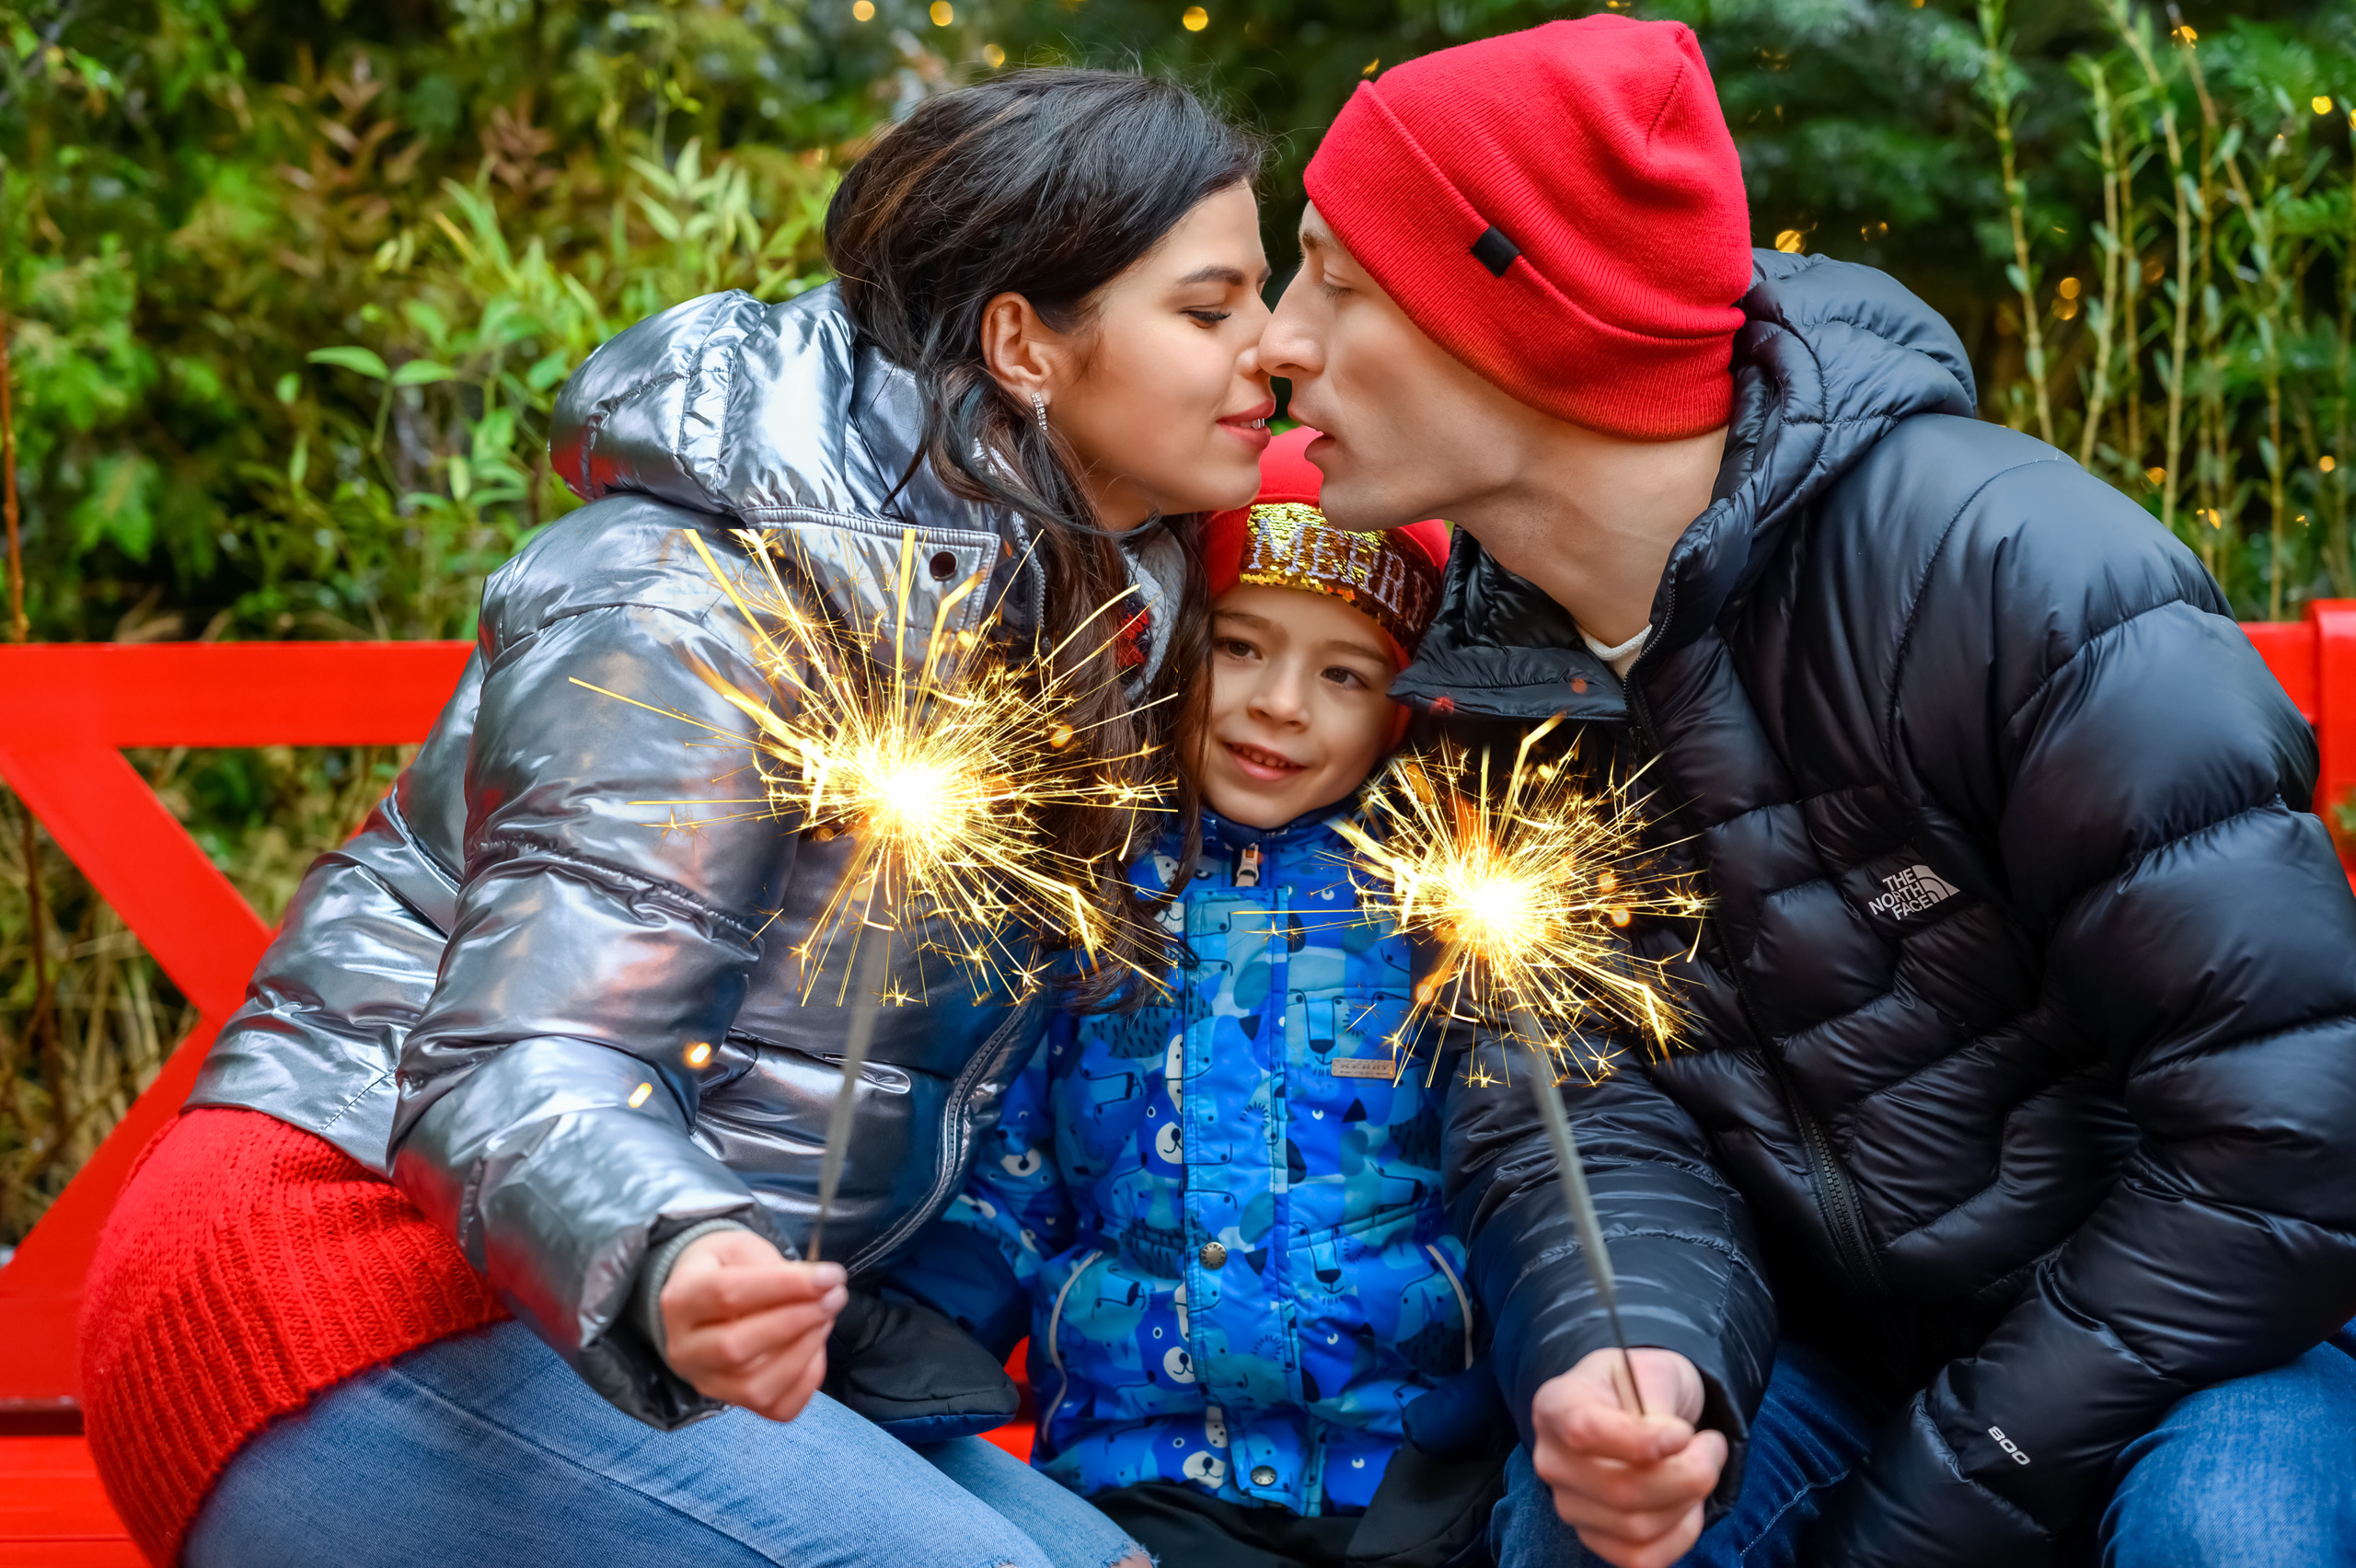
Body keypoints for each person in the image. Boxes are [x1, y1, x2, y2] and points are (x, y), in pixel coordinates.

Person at [76, 68, 1280, 1568]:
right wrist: (679, 1249)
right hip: (352, 1276)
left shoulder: (1077, 574)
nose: (1275, 349)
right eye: (1213, 308)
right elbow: (522, 1054)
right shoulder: (695, 591)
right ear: (1026, 340)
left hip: (634, 1310)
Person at [1255, 15, 2356, 1568]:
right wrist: (1627, 1356)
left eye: (1340, 282)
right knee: (1601, 1527)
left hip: (2206, 1336)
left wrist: (1927, 1503)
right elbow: (1573, 1107)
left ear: (1529, 319)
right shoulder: (1488, 679)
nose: (1278, 341)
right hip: (1828, 1350)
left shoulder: (2009, 574)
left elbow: (2290, 1130)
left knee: (2229, 1536)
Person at [891, 430, 1497, 1568]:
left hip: (1414, 1478)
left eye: (1344, 674)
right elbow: (1012, 1177)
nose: (1279, 704)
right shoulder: (1092, 890)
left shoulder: (1443, 915)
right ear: (1173, 646)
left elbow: (1511, 1188)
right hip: (1144, 1468)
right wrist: (910, 1340)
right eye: (1240, 645)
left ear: (1402, 710)